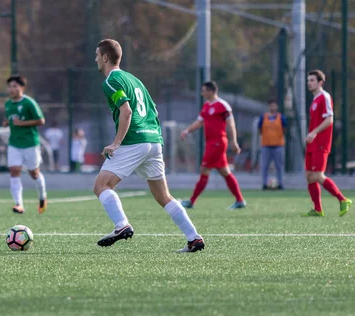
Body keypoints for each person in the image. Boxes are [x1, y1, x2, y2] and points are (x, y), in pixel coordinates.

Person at [93, 39, 204, 253]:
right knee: (163, 196)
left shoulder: (110, 81)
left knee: (101, 186)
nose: (96, 59)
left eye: (97, 55)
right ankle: (194, 238)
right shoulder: (135, 80)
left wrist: (116, 143)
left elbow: (126, 111)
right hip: (154, 140)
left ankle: (121, 225)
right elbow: (154, 110)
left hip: (134, 141)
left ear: (105, 57)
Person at [180, 81, 246, 209]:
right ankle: (240, 200)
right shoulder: (206, 106)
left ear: (211, 91)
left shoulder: (222, 105)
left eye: (204, 90)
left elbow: (231, 123)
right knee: (225, 172)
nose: (202, 93)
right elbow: (199, 122)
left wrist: (233, 141)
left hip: (217, 143)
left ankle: (191, 201)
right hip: (211, 143)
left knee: (204, 170)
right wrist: (187, 130)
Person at [301, 70, 351, 217]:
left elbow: (330, 119)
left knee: (317, 175)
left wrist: (314, 132)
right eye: (308, 80)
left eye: (312, 80)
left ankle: (343, 199)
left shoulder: (325, 96)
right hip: (313, 143)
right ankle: (317, 209)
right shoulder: (315, 99)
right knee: (310, 176)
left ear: (320, 82)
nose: (309, 83)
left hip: (321, 143)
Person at [3, 75, 47, 214]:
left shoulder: (29, 103)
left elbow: (41, 120)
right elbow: (10, 119)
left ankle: (42, 197)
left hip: (30, 144)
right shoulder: (8, 104)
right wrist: (6, 123)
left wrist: (22, 123)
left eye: (15, 86)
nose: (12, 89)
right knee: (14, 170)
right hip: (14, 144)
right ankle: (19, 204)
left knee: (34, 173)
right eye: (10, 86)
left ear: (22, 87)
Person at [258, 98, 287, 190]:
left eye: (274, 105)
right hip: (266, 145)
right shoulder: (263, 117)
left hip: (278, 145)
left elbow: (285, 129)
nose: (273, 107)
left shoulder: (281, 117)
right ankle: (264, 184)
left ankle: (280, 183)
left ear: (277, 107)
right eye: (271, 105)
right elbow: (260, 129)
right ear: (269, 106)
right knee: (265, 166)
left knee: (279, 166)